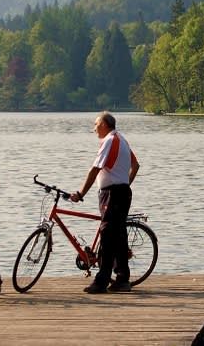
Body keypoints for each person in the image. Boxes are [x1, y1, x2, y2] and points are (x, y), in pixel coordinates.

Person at [70, 111, 140, 293]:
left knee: (108, 236)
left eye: (96, 124)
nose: (94, 128)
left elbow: (95, 169)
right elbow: (136, 165)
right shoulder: (121, 139)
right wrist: (125, 184)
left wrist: (81, 192)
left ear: (104, 125)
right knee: (119, 236)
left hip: (113, 194)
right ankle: (122, 279)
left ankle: (101, 282)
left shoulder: (109, 140)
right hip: (121, 192)